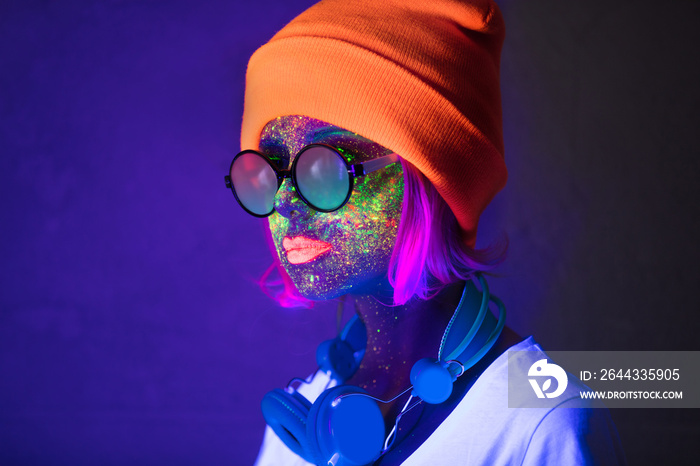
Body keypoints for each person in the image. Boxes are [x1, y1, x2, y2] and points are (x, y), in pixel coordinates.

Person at [225, 0, 626, 464]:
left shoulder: (539, 423)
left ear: (431, 179)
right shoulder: (303, 422)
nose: (285, 204)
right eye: (269, 173)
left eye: (323, 171)